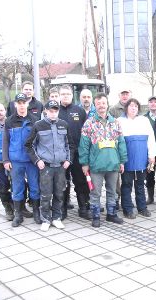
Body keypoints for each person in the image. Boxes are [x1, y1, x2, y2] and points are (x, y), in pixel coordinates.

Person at [25, 100, 74, 231]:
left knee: (59, 193)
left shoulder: (64, 125)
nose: (53, 113)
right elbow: (29, 145)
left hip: (60, 166)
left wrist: (68, 160)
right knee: (46, 194)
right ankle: (46, 219)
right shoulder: (38, 125)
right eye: (50, 111)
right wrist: (37, 160)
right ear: (45, 111)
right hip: (45, 166)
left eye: (55, 111)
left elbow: (69, 145)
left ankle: (57, 218)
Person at [79, 93, 127, 227]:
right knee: (95, 192)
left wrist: (122, 161)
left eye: (103, 103)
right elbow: (84, 145)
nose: (101, 106)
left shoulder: (115, 122)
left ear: (107, 104)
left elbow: (121, 142)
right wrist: (84, 163)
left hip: (113, 164)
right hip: (96, 165)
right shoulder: (89, 123)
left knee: (113, 190)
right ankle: (95, 216)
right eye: (98, 103)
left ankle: (111, 214)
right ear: (95, 105)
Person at [2, 93, 41, 227]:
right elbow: (5, 141)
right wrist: (6, 160)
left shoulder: (35, 119)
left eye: (24, 102)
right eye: (19, 103)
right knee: (17, 188)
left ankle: (36, 212)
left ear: (27, 104)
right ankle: (18, 214)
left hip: (31, 161)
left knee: (35, 187)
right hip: (16, 161)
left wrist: (39, 158)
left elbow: (38, 141)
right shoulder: (9, 121)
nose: (22, 105)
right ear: (15, 104)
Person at [118, 98, 156, 218]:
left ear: (138, 108)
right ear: (126, 108)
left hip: (141, 157)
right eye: (131, 106)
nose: (133, 108)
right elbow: (117, 142)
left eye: (135, 106)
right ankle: (127, 209)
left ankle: (142, 207)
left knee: (140, 184)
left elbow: (151, 138)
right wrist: (120, 160)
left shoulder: (144, 120)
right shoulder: (119, 121)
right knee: (127, 184)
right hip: (127, 158)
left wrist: (152, 155)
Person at [58, 85, 91, 220]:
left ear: (72, 96)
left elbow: (86, 133)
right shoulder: (55, 111)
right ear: (59, 96)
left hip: (77, 153)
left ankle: (83, 207)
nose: (66, 96)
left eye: (68, 94)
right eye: (63, 94)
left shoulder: (79, 111)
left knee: (81, 181)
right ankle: (63, 208)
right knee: (62, 182)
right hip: (61, 154)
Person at [144, 96, 156, 204]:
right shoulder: (143, 118)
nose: (153, 104)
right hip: (149, 153)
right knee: (150, 175)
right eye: (151, 102)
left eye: (155, 102)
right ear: (148, 105)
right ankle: (150, 197)